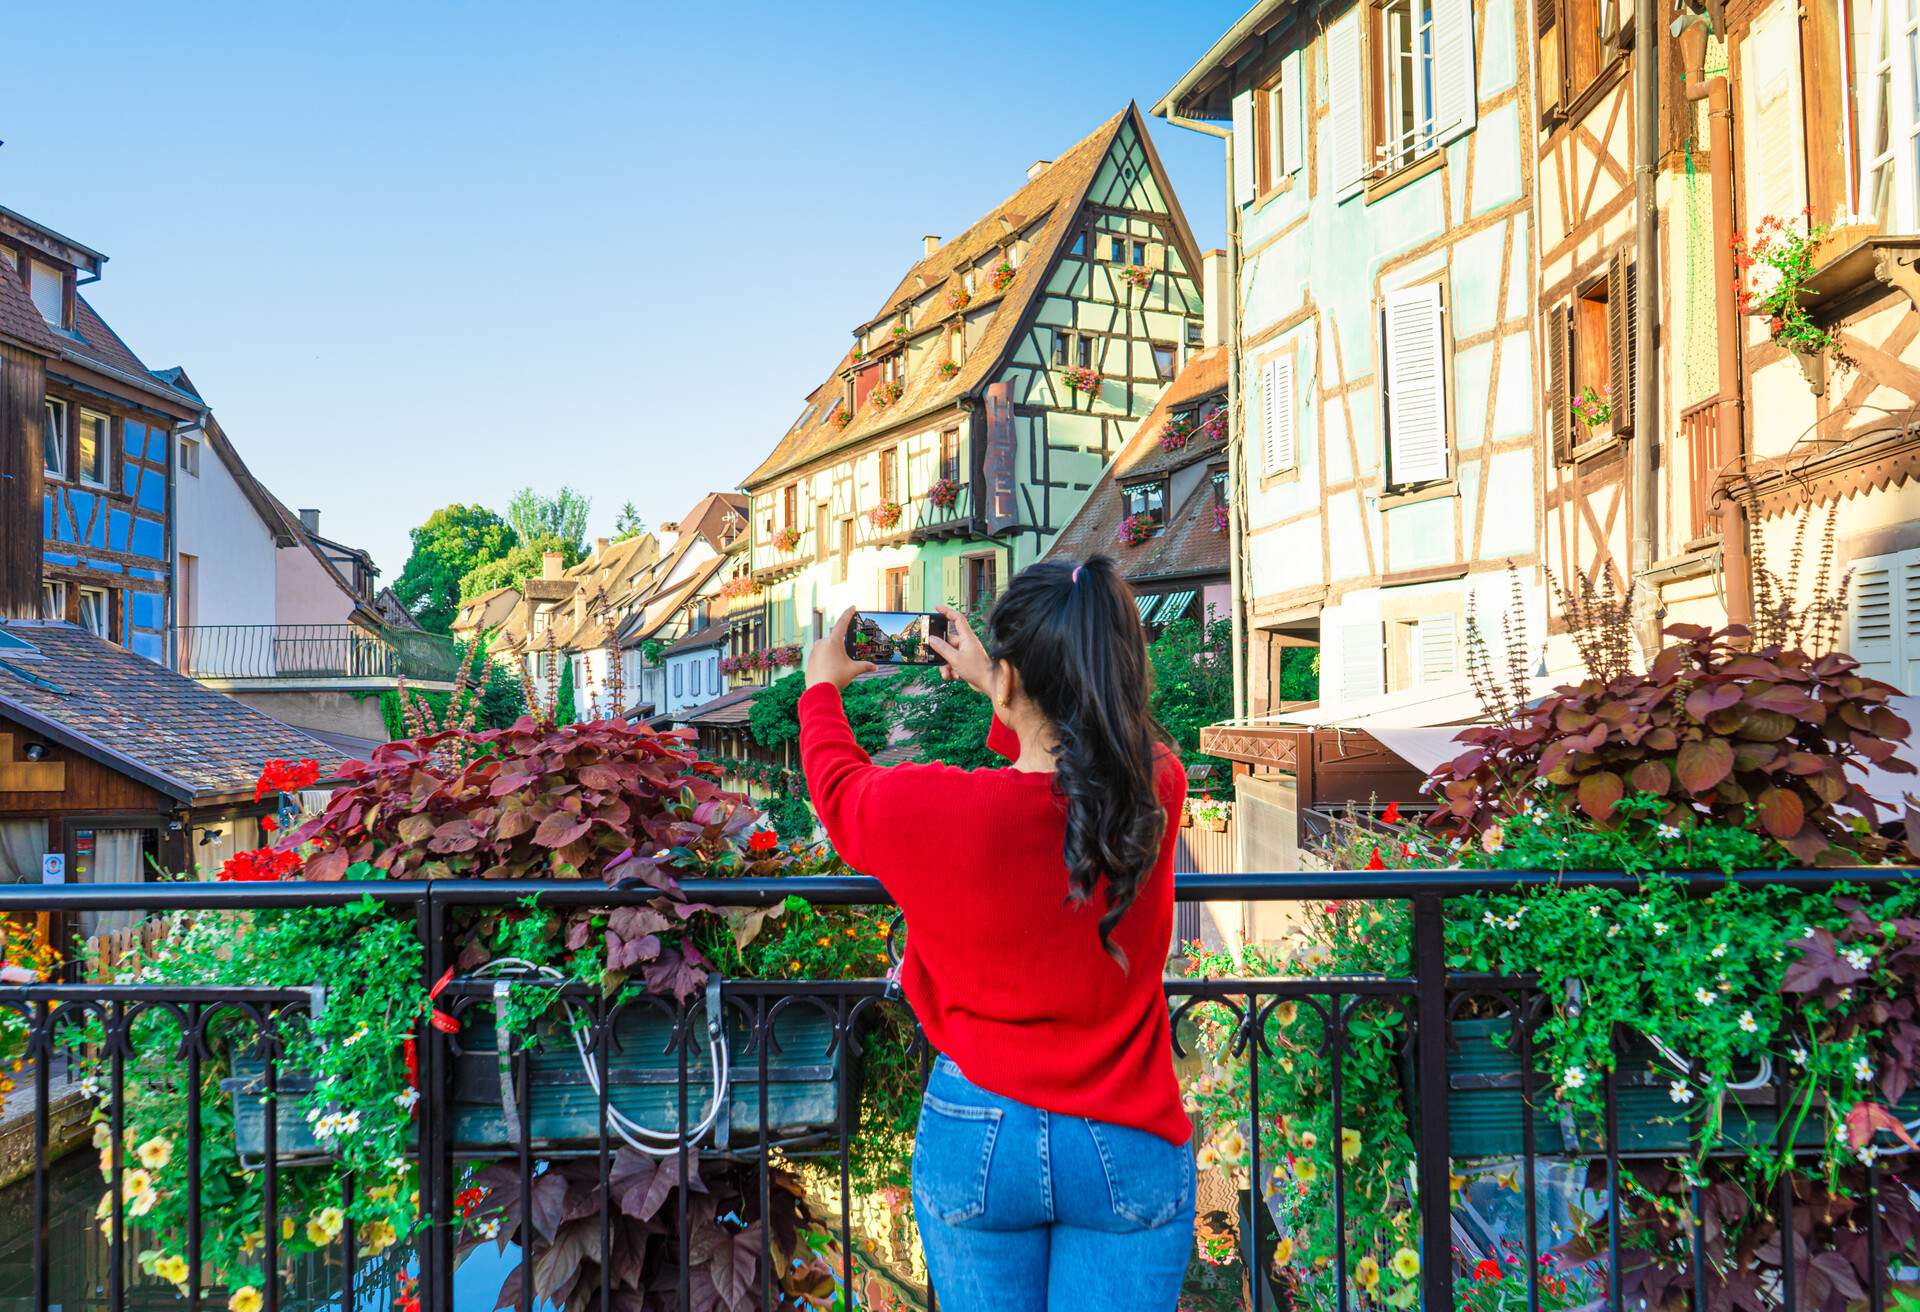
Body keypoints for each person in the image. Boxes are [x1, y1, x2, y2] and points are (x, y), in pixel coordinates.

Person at [798, 556, 1193, 1312]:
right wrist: (1000, 682)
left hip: (977, 1129)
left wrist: (822, 685)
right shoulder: (1156, 788)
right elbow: (1096, 754)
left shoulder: (938, 810)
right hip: (1126, 1130)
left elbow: (840, 787)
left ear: (1014, 681)